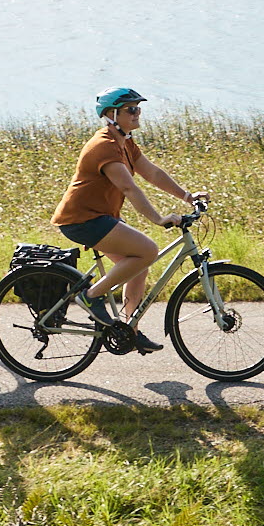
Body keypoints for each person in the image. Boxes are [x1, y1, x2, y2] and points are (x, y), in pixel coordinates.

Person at [50, 86, 199, 354]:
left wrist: (187, 196)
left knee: (138, 265)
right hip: (81, 220)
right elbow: (129, 188)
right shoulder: (104, 146)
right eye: (131, 109)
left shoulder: (125, 142)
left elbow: (152, 173)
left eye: (138, 108)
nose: (137, 113)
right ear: (111, 114)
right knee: (148, 250)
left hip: (99, 218)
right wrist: (158, 219)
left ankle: (129, 329)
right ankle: (90, 296)